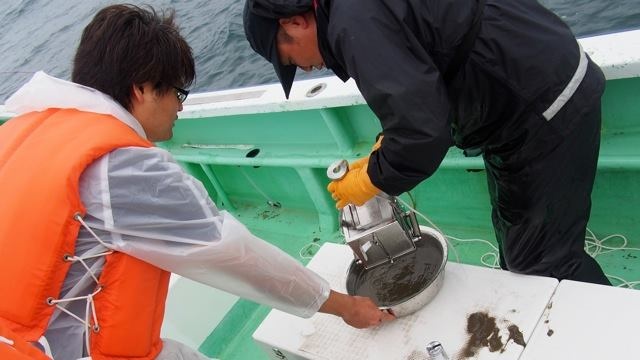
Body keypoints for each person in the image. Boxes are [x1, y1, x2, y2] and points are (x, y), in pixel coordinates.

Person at [0, 4, 393, 360]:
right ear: (142, 89)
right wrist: (345, 306)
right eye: (177, 92)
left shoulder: (22, 131)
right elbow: (233, 255)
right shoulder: (120, 167)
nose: (180, 108)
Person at [243, 0, 611, 285]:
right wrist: (384, 147)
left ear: (293, 22)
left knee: (540, 264)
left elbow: (422, 133)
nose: (304, 68)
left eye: (289, 58)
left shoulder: (352, 23)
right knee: (518, 249)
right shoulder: (356, 10)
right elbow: (427, 73)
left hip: (541, 104)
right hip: (531, 84)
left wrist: (374, 177)